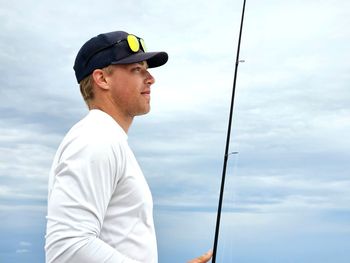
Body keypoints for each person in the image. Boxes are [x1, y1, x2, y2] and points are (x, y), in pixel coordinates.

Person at [45, 30, 212, 263]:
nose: (150, 78)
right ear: (102, 79)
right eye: (137, 69)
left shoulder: (105, 137)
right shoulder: (96, 138)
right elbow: (68, 247)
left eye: (147, 69)